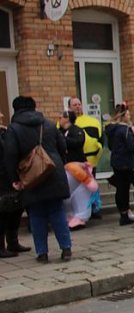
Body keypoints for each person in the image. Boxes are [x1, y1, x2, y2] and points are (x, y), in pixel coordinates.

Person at [4, 96, 72, 262]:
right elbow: (63, 147)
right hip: (53, 171)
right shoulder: (48, 124)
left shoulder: (14, 129)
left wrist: (14, 179)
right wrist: (58, 164)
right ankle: (66, 248)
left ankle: (42, 253)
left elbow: (10, 155)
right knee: (57, 212)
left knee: (36, 214)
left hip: (31, 176)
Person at [0, 110, 30, 257]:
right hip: (1, 180)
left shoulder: (5, 132)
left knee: (15, 209)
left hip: (11, 177)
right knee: (2, 212)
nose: (2, 115)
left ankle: (13, 242)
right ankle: (1, 247)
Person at [69, 97, 104, 216]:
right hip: (74, 162)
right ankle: (80, 211)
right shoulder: (66, 122)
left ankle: (94, 209)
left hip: (91, 160)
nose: (78, 106)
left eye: (79, 104)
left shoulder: (93, 121)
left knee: (92, 186)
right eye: (74, 105)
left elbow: (101, 138)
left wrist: (98, 149)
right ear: (69, 107)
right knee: (78, 188)